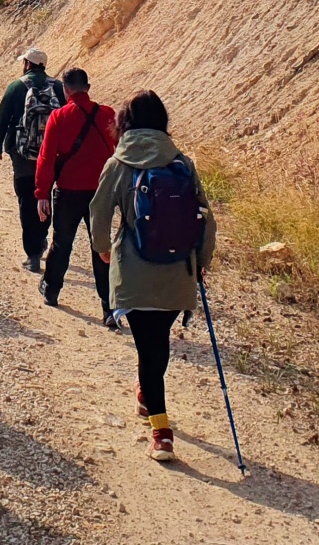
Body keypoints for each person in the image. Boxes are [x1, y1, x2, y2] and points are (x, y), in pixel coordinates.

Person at [89, 91, 217, 463]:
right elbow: (207, 219)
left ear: (125, 124)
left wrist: (103, 249)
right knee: (157, 343)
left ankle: (161, 432)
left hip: (135, 270)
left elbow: (98, 213)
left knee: (149, 348)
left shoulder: (118, 163)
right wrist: (201, 263)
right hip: (179, 273)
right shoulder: (182, 163)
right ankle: (147, 395)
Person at [34, 68, 117, 323]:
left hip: (68, 191)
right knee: (101, 247)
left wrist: (42, 193)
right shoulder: (108, 115)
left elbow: (46, 158)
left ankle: (52, 290)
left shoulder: (59, 117)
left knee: (62, 243)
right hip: (100, 193)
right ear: (88, 88)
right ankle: (109, 307)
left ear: (65, 90)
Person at [0, 48, 64, 273]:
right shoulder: (58, 87)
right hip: (50, 154)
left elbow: (1, 119)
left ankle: (32, 254)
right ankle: (42, 239)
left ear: (27, 64)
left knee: (26, 198)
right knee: (45, 195)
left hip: (22, 153)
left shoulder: (16, 86)